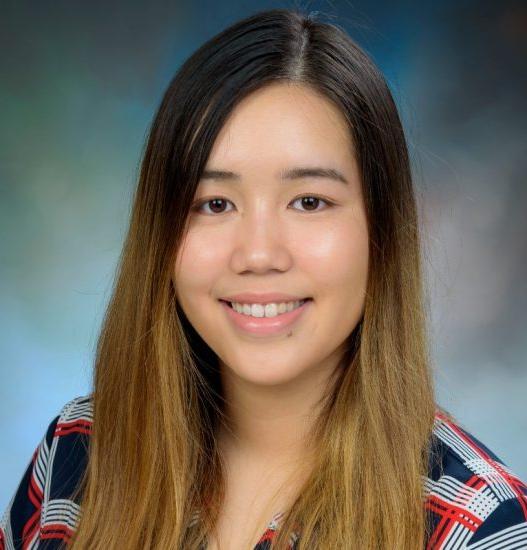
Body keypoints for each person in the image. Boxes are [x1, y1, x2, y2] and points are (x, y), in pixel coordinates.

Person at [1, 8, 526, 550]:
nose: (257, 254)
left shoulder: (479, 525)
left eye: (309, 201)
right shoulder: (76, 455)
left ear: (382, 230)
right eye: (215, 203)